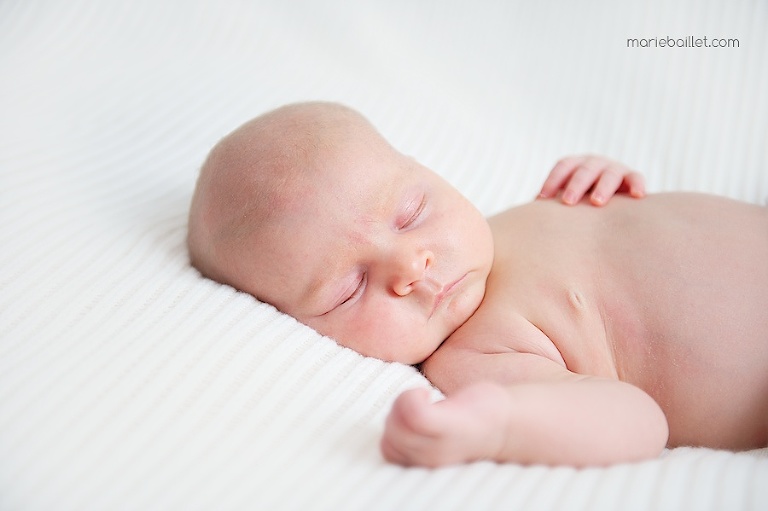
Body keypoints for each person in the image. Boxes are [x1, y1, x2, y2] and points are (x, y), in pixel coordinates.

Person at [187, 101, 768, 467]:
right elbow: (637, 422)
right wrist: (500, 425)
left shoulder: (525, 213)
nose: (412, 266)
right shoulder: (474, 356)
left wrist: (606, 181)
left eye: (411, 212)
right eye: (349, 288)